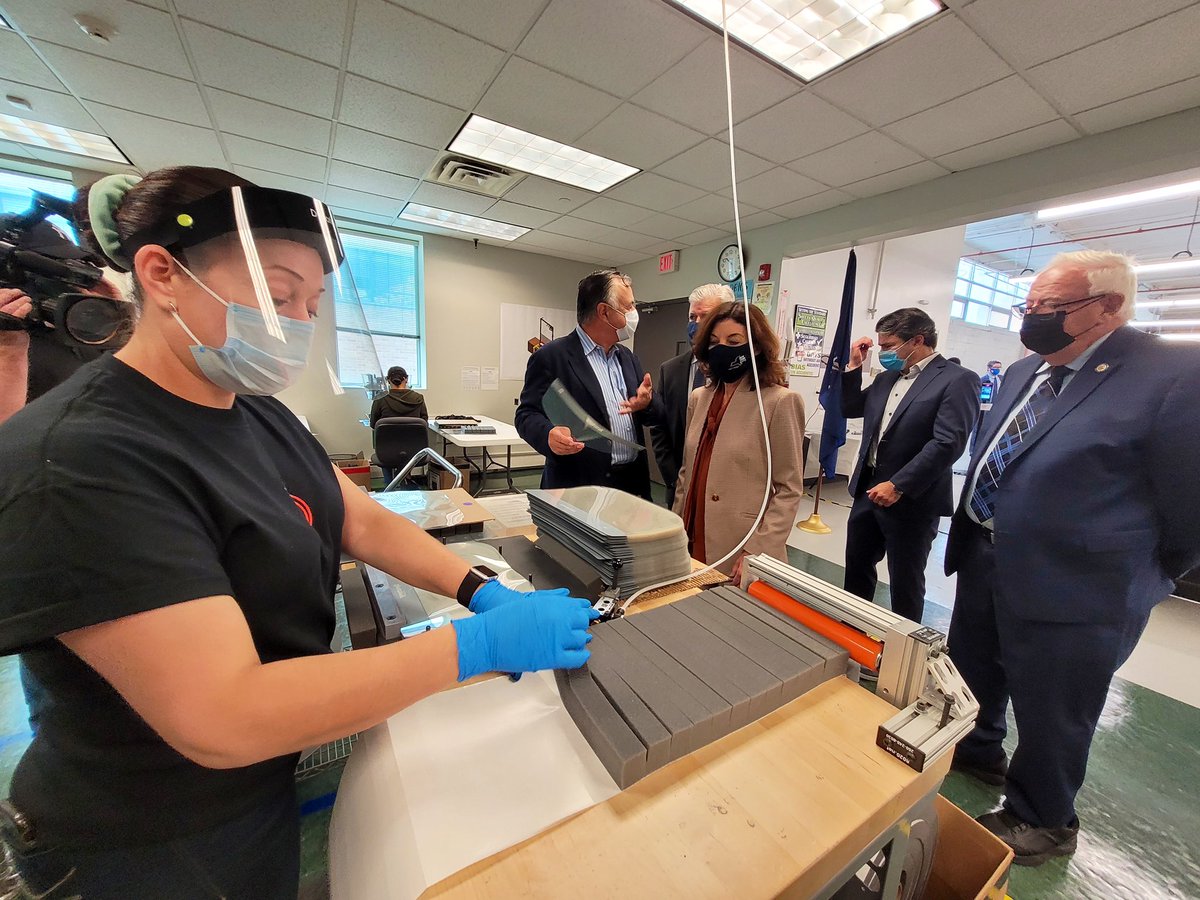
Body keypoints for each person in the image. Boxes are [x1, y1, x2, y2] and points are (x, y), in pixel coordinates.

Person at [0, 166, 597, 899]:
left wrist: (478, 590)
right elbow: (223, 713)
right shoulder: (82, 459)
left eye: (311, 304)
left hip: (257, 786)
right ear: (161, 274)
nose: (298, 324)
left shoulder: (255, 410)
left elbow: (357, 515)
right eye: (280, 296)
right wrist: (475, 648)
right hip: (148, 835)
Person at [944, 250, 1200, 866]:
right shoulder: (1023, 370)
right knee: (974, 671)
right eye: (1028, 305)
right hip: (986, 556)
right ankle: (976, 751)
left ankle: (1043, 818)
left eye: (1050, 307)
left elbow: (1189, 497)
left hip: (1082, 582)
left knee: (1055, 706)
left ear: (1109, 307)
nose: (1032, 318)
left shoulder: (1175, 372)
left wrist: (1152, 570)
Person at [840, 308, 977, 623]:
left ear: (917, 340)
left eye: (889, 346)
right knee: (857, 570)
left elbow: (947, 443)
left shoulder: (957, 379)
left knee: (906, 581)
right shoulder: (886, 378)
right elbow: (849, 407)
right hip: (868, 491)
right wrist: (854, 366)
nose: (884, 353)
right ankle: (851, 631)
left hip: (913, 499)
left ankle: (903, 647)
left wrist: (898, 485)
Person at [672, 302, 805, 580]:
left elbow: (789, 488)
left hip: (741, 544)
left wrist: (758, 549)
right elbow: (686, 472)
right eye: (714, 342)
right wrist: (673, 530)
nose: (722, 349)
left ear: (755, 347)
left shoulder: (779, 402)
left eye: (734, 342)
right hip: (690, 534)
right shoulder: (699, 398)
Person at [515, 268, 662, 498]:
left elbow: (655, 416)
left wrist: (647, 403)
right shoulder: (552, 357)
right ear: (604, 312)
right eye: (629, 306)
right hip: (578, 485)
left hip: (631, 486)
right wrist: (548, 435)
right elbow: (526, 414)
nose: (634, 313)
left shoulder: (628, 358)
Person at [650, 283, 732, 508]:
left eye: (705, 316)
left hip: (724, 493)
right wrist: (674, 479)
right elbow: (660, 429)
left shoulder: (739, 372)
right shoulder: (670, 370)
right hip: (679, 487)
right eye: (692, 316)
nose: (696, 323)